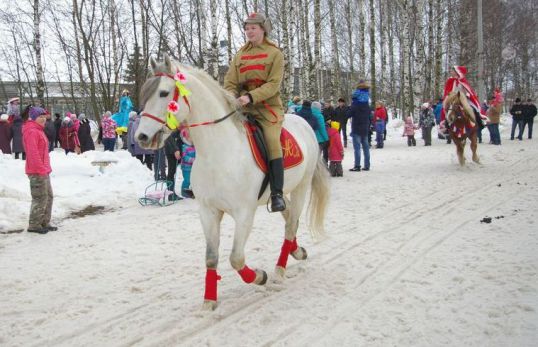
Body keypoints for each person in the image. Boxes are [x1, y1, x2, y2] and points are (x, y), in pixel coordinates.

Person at [223, 12, 286, 212]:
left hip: (267, 108)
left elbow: (274, 84)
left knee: (272, 141)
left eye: (253, 28)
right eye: (247, 28)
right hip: (242, 107)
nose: (249, 31)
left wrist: (251, 97)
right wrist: (232, 96)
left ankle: (277, 193)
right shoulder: (240, 55)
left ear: (263, 29)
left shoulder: (275, 53)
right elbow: (230, 81)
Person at [22, 106, 56, 234]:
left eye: (44, 117)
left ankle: (44, 222)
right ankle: (34, 225)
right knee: (40, 197)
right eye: (40, 117)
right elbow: (33, 153)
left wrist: (46, 168)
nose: (43, 119)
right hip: (37, 171)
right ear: (33, 118)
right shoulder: (31, 131)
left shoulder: (39, 130)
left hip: (43, 170)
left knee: (48, 197)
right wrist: (41, 169)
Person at [440, 66, 487, 133]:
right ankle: (446, 126)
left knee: (473, 108)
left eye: (453, 71)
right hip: (453, 99)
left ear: (457, 72)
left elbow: (468, 90)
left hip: (463, 98)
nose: (451, 72)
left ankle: (479, 122)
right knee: (446, 108)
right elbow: (447, 91)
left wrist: (467, 95)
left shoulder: (462, 80)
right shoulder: (450, 80)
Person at [348, 80, 371, 171]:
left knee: (357, 148)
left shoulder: (355, 104)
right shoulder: (367, 104)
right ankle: (367, 165)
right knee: (366, 147)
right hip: (365, 127)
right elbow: (370, 114)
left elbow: (349, 114)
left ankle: (357, 166)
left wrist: (348, 110)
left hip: (356, 127)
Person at [164, 129, 183, 201]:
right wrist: (175, 150)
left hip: (174, 150)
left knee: (172, 172)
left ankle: (171, 194)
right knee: (171, 172)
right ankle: (171, 194)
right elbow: (168, 136)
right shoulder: (170, 124)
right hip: (172, 151)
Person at [179, 127, 196, 198]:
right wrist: (192, 160)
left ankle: (192, 191)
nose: (191, 139)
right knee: (187, 180)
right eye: (189, 138)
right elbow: (185, 157)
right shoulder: (184, 147)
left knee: (193, 180)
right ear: (185, 139)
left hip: (193, 167)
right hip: (186, 168)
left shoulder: (194, 147)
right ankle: (183, 191)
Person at [312, 101, 329, 165]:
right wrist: (326, 138)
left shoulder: (310, 114)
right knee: (318, 155)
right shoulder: (319, 116)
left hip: (311, 137)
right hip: (319, 139)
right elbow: (322, 128)